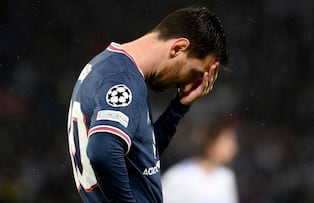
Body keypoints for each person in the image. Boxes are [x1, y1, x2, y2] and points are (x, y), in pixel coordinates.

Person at [66, 6, 228, 203]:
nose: (186, 82)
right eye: (193, 72)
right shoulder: (123, 78)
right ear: (178, 48)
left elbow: (140, 160)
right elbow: (103, 151)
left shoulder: (109, 67)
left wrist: (178, 108)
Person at [162, 118, 239, 203]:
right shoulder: (179, 175)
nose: (233, 148)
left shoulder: (226, 177)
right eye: (227, 142)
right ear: (210, 144)